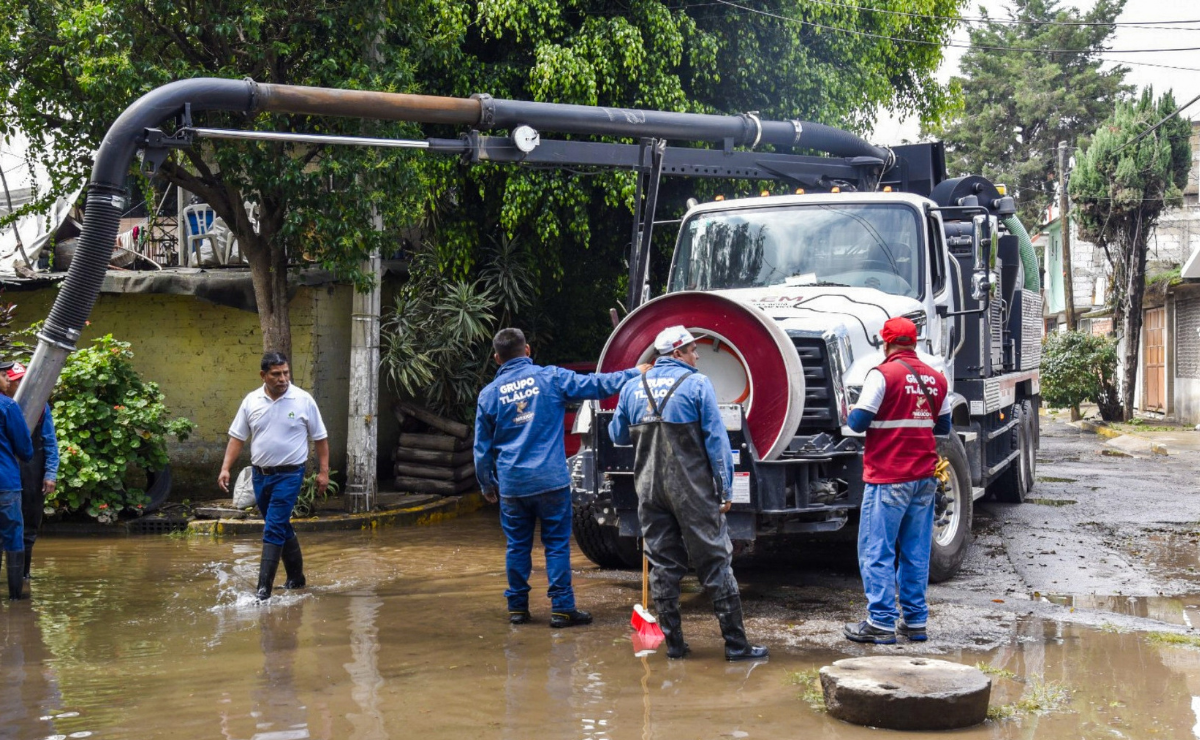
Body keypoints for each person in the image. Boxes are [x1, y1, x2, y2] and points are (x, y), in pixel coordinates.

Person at [608, 326, 768, 661]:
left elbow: (617, 434)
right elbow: (716, 441)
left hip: (650, 491)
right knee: (715, 563)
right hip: (692, 492)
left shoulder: (632, 386)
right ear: (678, 353)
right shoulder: (697, 384)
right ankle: (737, 647)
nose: (697, 357)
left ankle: (675, 648)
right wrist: (725, 487)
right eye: (693, 351)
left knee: (663, 565)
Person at [474, 328, 648, 628]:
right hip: (551, 481)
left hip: (513, 485)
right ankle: (562, 609)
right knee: (555, 545)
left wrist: (487, 484)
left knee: (517, 546)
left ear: (497, 358)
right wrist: (635, 372)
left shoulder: (489, 395)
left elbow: (481, 449)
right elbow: (597, 385)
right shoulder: (551, 378)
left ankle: (517, 608)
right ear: (527, 350)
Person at [843, 316, 951, 645]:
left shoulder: (881, 375)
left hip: (889, 477)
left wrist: (850, 409)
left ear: (886, 343)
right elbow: (943, 428)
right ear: (914, 343)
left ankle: (881, 622)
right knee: (915, 552)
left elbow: (858, 423)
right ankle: (915, 623)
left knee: (877, 549)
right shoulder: (937, 379)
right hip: (924, 478)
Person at [218, 352, 329, 601]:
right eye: (276, 374)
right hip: (261, 476)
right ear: (263, 375)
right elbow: (238, 437)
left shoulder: (303, 400)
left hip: (290, 475)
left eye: (286, 373)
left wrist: (323, 472)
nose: (283, 379)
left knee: (273, 528)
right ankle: (297, 578)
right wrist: (225, 468)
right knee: (279, 526)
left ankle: (262, 591)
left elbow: (320, 438)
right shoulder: (251, 401)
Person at [2, 362, 59, 589]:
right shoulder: (7, 406)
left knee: (29, 525)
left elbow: (50, 442)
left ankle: (23, 576)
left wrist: (50, 474)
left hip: (32, 469)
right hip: (8, 471)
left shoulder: (41, 407)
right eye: (15, 380)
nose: (18, 383)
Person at [0, 362, 33, 600]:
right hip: (5, 483)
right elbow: (25, 449)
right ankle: (15, 596)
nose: (7, 379)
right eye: (3, 375)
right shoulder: (8, 405)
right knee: (13, 535)